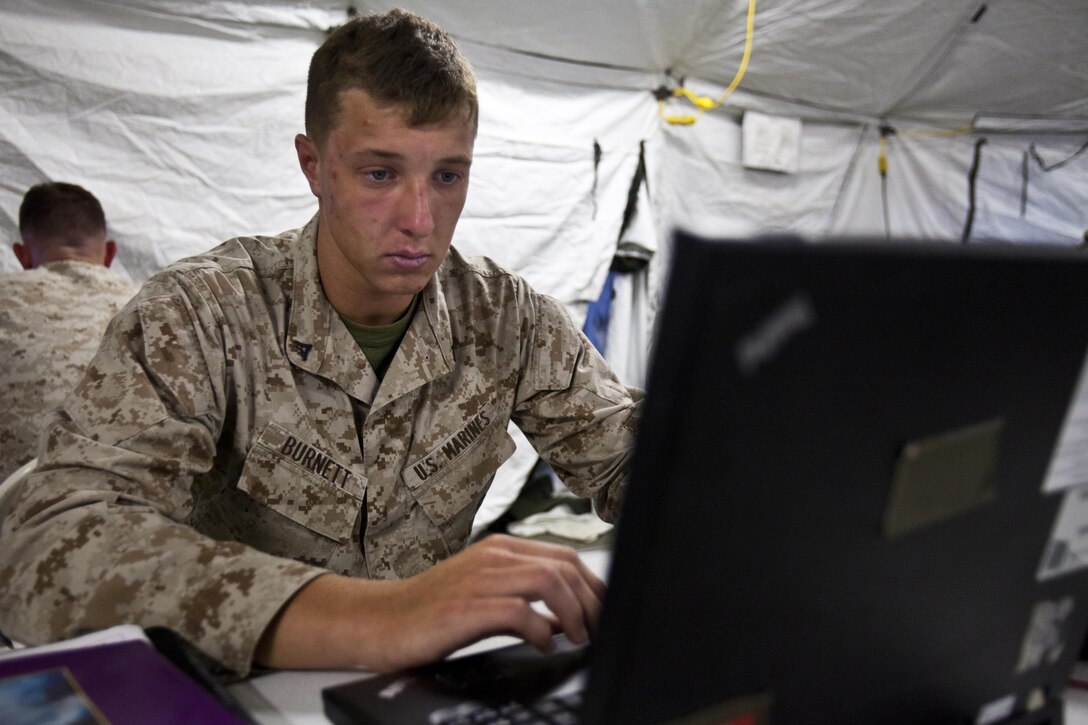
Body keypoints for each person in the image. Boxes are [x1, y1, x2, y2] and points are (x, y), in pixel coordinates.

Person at [0, 9, 640, 678]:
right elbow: (51, 546)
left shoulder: (507, 319)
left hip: (411, 697)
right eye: (379, 174)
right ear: (314, 164)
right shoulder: (201, 316)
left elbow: (644, 466)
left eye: (448, 176)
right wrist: (385, 617)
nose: (420, 220)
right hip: (240, 695)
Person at [0, 182, 137, 481]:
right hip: (139, 510)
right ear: (110, 253)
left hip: (15, 508)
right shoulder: (152, 306)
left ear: (22, 256)